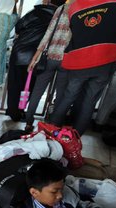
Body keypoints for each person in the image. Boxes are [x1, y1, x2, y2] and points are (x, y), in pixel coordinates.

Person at [49, 0, 116, 135]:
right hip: (106, 57)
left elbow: (75, 28)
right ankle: (75, 137)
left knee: (68, 96)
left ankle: (51, 130)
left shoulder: (75, 6)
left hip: (79, 58)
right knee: (90, 100)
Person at [5, 0, 58, 122]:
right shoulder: (58, 17)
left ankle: (13, 112)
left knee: (14, 84)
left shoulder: (34, 13)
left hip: (20, 53)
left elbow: (18, 27)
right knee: (30, 86)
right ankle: (21, 109)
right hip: (38, 57)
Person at [25, 0, 72, 132]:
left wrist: (35, 58)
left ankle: (29, 121)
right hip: (67, 59)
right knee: (61, 94)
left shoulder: (62, 9)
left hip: (49, 57)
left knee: (38, 91)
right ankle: (53, 125)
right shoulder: (82, 12)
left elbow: (48, 33)